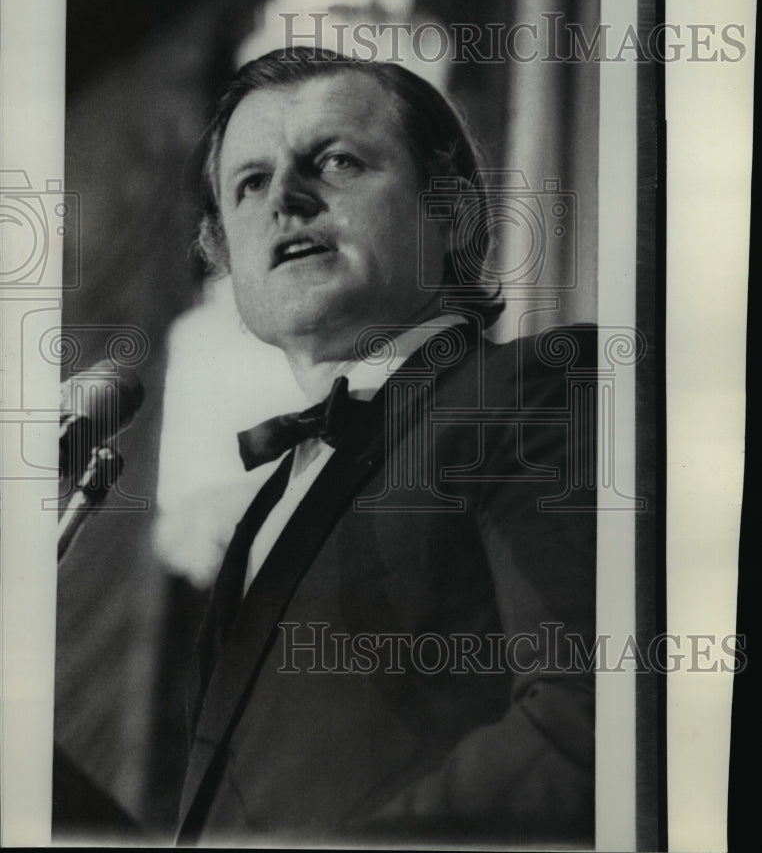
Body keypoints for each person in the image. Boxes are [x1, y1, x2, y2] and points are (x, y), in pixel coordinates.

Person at [176, 47, 596, 847]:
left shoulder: (541, 383)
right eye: (250, 182)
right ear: (222, 254)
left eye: (335, 160)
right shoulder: (275, 497)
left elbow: (595, 715)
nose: (285, 200)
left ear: (453, 213)